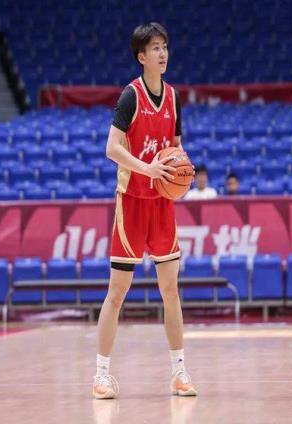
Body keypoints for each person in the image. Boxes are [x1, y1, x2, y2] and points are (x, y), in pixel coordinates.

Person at [93, 22, 197, 399]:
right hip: (133, 202)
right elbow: (111, 148)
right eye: (155, 48)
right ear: (142, 56)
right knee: (117, 292)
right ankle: (101, 375)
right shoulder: (131, 96)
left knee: (170, 289)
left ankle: (179, 372)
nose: (163, 53)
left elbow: (174, 147)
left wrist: (179, 172)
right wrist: (147, 169)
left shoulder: (173, 97)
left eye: (165, 46)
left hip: (162, 205)